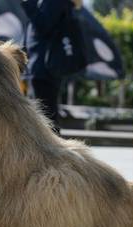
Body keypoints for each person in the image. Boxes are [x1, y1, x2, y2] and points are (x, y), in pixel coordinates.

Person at [21, 0, 77, 132]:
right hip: (39, 67)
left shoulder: (54, 2)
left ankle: (53, 151)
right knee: (43, 117)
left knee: (47, 118)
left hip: (45, 68)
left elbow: (44, 25)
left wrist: (29, 3)